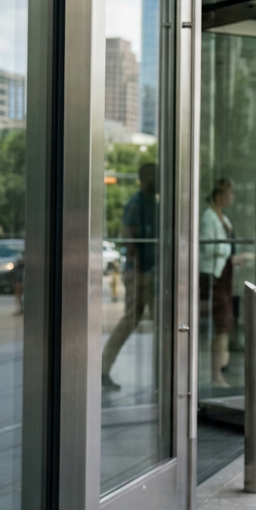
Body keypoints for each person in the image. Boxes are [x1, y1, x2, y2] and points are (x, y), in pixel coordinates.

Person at [101, 162, 157, 391]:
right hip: (140, 272)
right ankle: (103, 369)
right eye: (153, 176)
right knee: (130, 319)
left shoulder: (155, 203)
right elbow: (129, 240)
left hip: (152, 272)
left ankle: (164, 373)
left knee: (161, 322)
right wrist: (137, 272)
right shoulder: (136, 205)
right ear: (144, 178)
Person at [200, 177, 238, 388]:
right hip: (214, 276)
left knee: (224, 322)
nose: (232, 197)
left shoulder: (223, 218)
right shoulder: (209, 217)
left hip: (224, 274)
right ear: (219, 195)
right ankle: (216, 374)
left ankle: (220, 369)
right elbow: (209, 247)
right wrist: (229, 254)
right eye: (229, 193)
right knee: (221, 323)